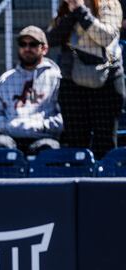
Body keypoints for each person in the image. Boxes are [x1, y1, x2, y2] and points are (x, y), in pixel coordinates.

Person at [47, 0, 125, 158]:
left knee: (105, 144)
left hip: (106, 82)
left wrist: (81, 10)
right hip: (72, 85)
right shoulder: (65, 8)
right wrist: (71, 13)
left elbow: (105, 37)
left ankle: (106, 182)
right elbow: (51, 39)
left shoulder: (109, 3)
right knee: (76, 143)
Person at [0, 26, 63, 155]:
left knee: (48, 149)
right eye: (23, 44)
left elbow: (63, 118)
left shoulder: (56, 78)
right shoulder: (6, 80)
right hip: (10, 136)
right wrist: (11, 126)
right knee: (0, 144)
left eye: (33, 44)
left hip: (43, 136)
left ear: (44, 49)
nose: (27, 49)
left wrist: (40, 126)